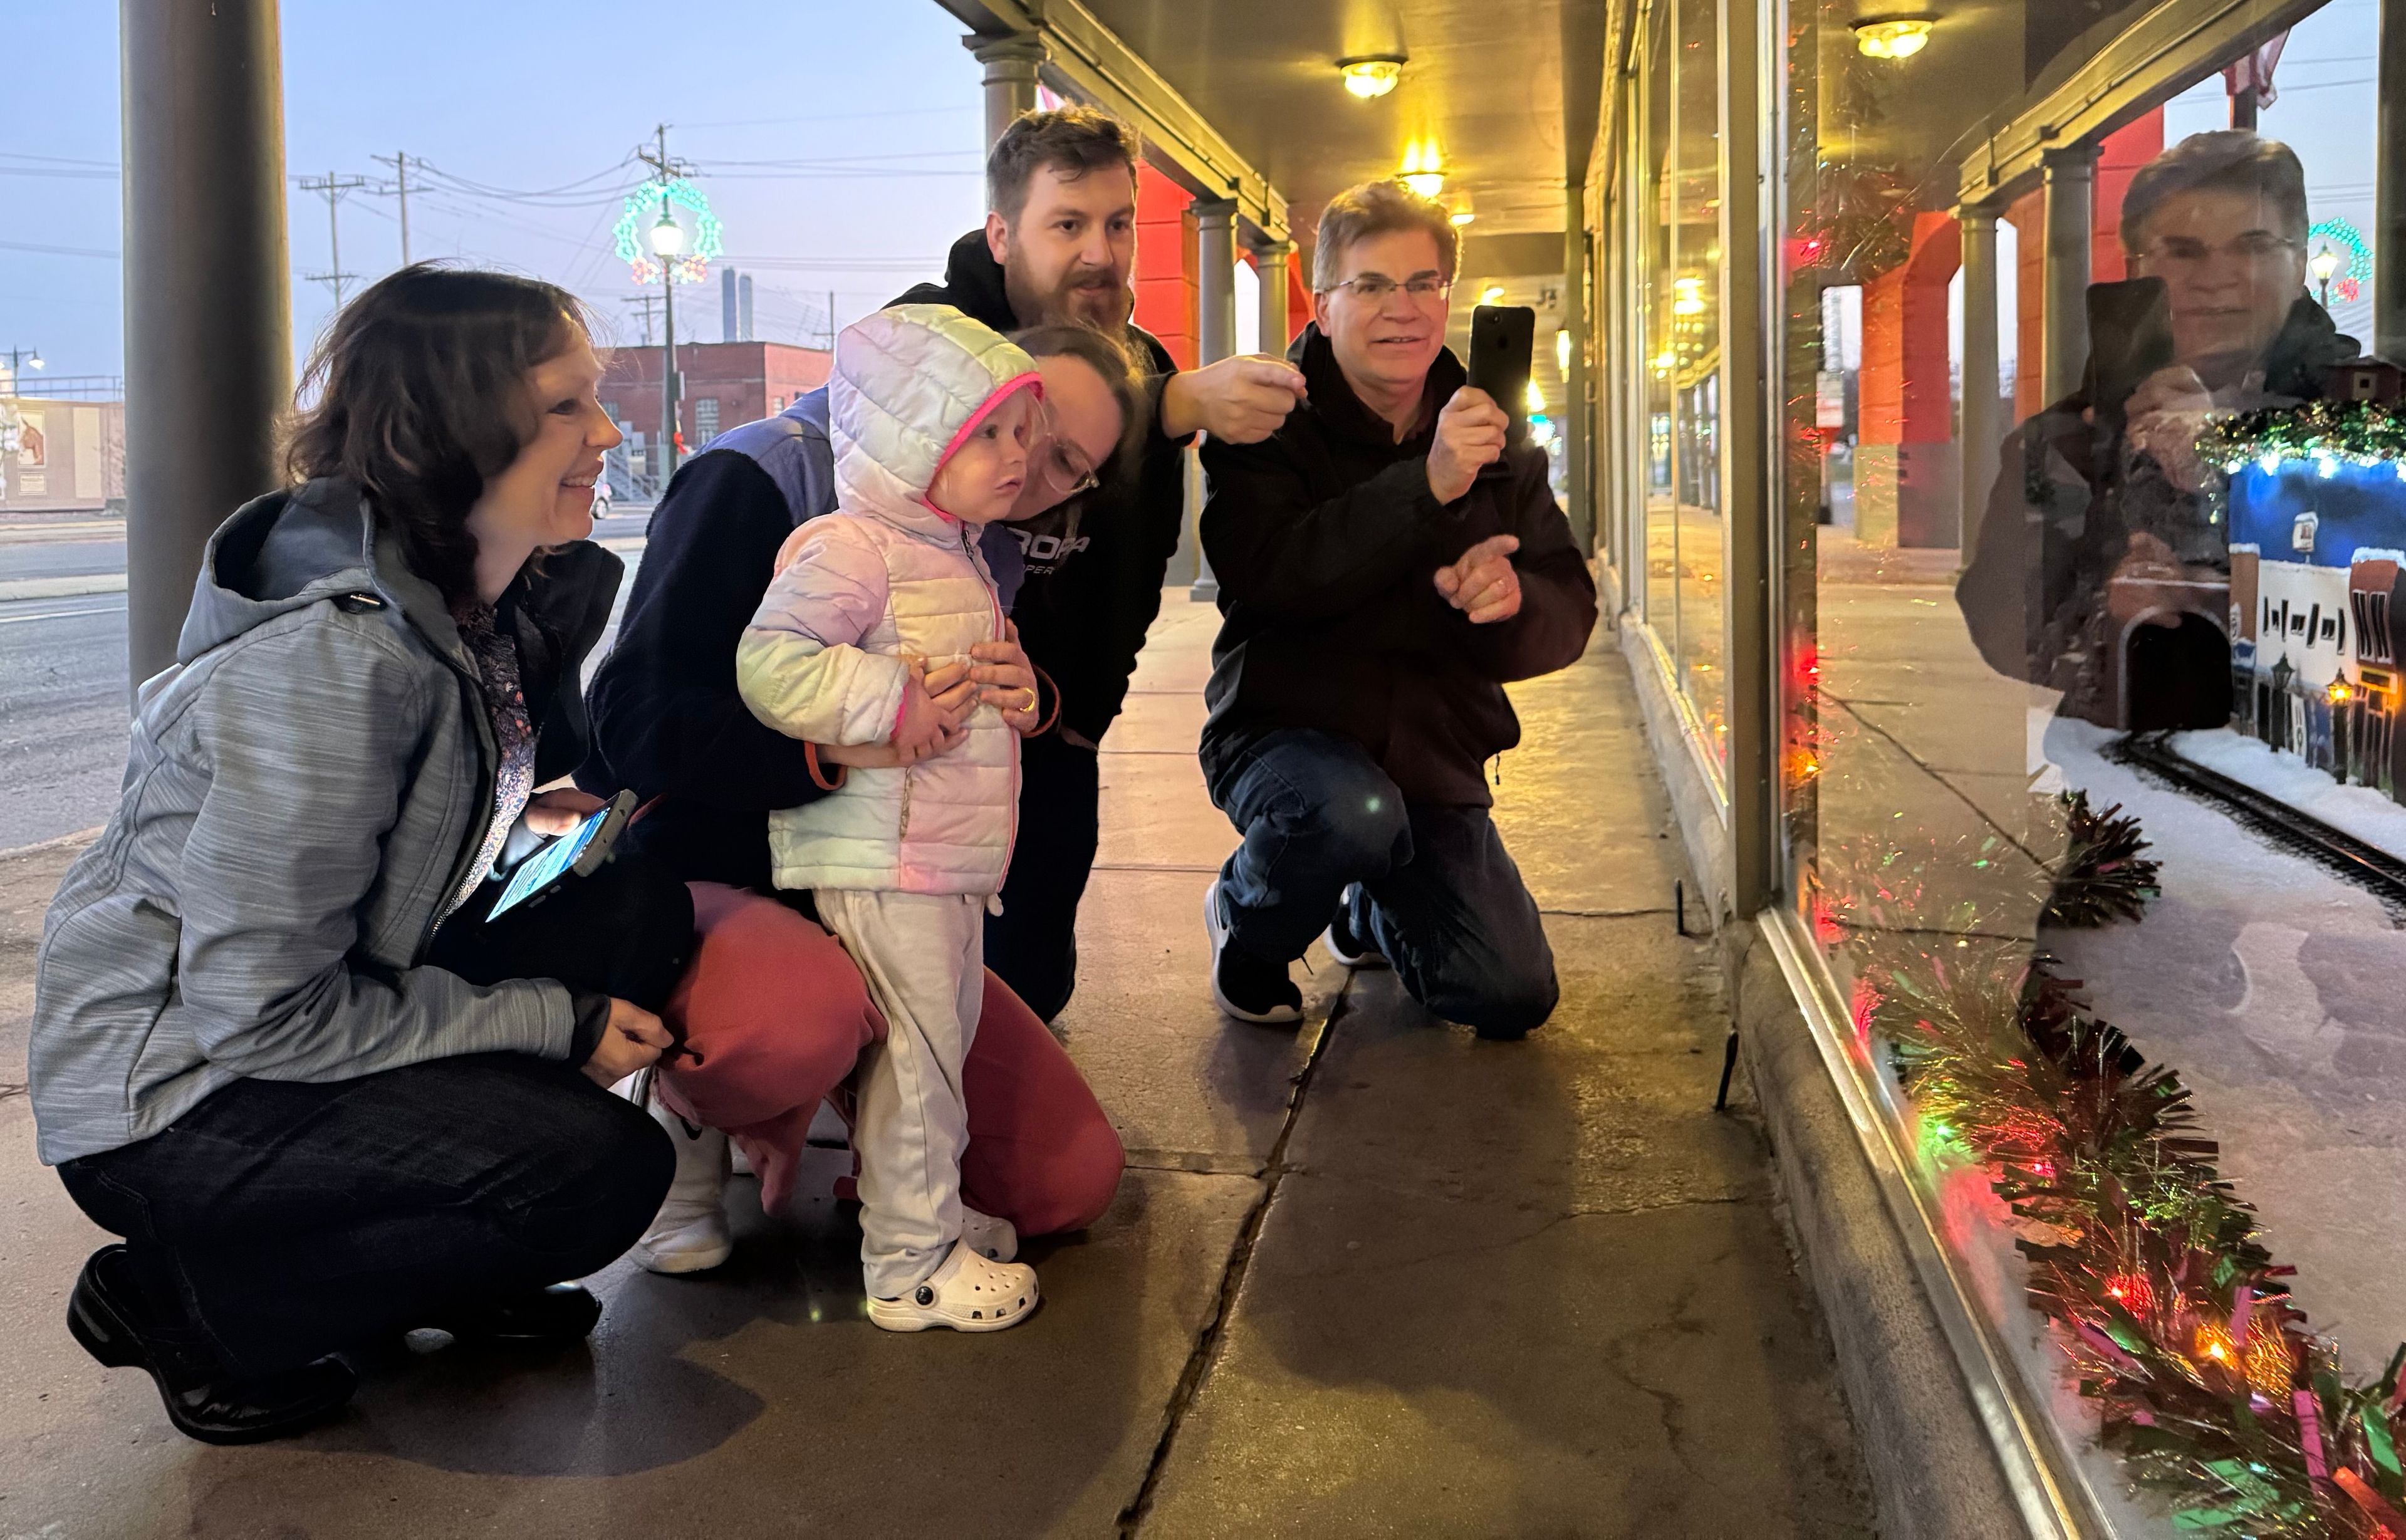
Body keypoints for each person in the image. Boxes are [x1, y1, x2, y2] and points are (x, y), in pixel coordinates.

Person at [584, 103, 1299, 1274]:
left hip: (905, 880)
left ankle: (852, 1108)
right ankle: (701, 1126)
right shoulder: (764, 479)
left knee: (1067, 1176)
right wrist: (841, 743)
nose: (1030, 473)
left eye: (1069, 463)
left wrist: (1031, 704)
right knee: (793, 1023)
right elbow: (634, 723)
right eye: (1017, 431)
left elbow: (1082, 670)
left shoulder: (980, 535)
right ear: (971, 382)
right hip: (731, 867)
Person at [29, 266, 677, 1444]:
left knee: (635, 908)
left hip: (305, 1007)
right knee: (598, 1174)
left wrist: (553, 822)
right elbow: (265, 1013)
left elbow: (440, 827)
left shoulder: (481, 604)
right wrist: (556, 1020)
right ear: (457, 429)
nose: (607, 431)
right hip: (172, 1096)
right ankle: (193, 1301)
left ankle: (433, 1266)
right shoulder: (335, 668)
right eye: (567, 407)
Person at [1196, 179, 1599, 1036]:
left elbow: (1570, 597)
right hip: (1284, 738)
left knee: (1509, 994)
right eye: (1371, 285)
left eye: (1423, 284)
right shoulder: (1269, 422)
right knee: (1352, 814)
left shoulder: (1494, 429)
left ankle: (1365, 908)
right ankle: (1249, 920)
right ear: (1322, 299)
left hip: (1431, 758)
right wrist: (1427, 486)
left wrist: (1512, 603)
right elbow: (1269, 573)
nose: (1402, 309)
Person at [739, 305, 1049, 1331]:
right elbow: (770, 663)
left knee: (938, 1044)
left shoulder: (950, 554)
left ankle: (923, 1212)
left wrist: (1014, 688)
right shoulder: (850, 546)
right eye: (987, 434)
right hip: (881, 854)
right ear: (913, 440)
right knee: (919, 1055)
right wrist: (887, 702)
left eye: (1021, 431)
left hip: (939, 854)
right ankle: (912, 1266)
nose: (1018, 458)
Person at [1957, 130, 2358, 727]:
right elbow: (1999, 628)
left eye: (2251, 246)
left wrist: (2227, 467)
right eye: (2183, 250)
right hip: (2114, 795)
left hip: (2327, 800)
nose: (2216, 277)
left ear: (2299, 262)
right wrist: (2111, 610)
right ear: (2136, 269)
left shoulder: (2367, 425)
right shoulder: (2068, 440)